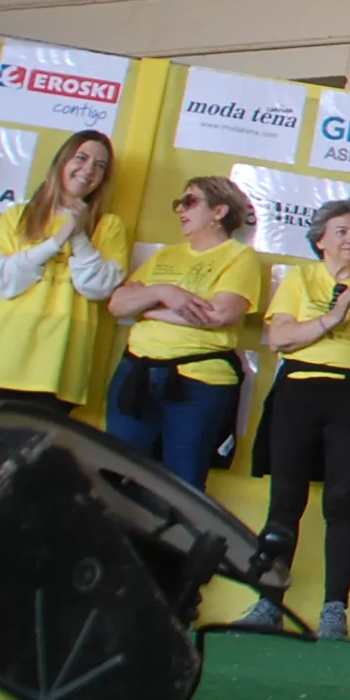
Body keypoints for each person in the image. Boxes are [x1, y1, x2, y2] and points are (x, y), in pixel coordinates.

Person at [239, 198, 350, 639]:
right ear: (320, 239)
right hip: (299, 391)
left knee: (342, 502)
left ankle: (335, 609)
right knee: (285, 501)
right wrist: (332, 318)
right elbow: (279, 338)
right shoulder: (299, 278)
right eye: (342, 231)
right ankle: (267, 602)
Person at [103, 176, 264, 489]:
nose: (180, 209)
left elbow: (219, 314)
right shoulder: (166, 255)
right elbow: (118, 304)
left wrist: (147, 307)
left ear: (219, 211)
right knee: (115, 475)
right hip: (136, 372)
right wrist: (166, 291)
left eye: (190, 201)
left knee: (182, 485)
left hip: (197, 383)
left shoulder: (240, 257)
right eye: (179, 203)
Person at [0, 132, 127, 424]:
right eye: (82, 158)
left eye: (100, 165)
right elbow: (1, 281)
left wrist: (79, 236)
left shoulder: (109, 226)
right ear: (62, 160)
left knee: (32, 469)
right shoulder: (18, 215)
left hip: (57, 371)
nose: (88, 170)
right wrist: (52, 244)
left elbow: (98, 287)